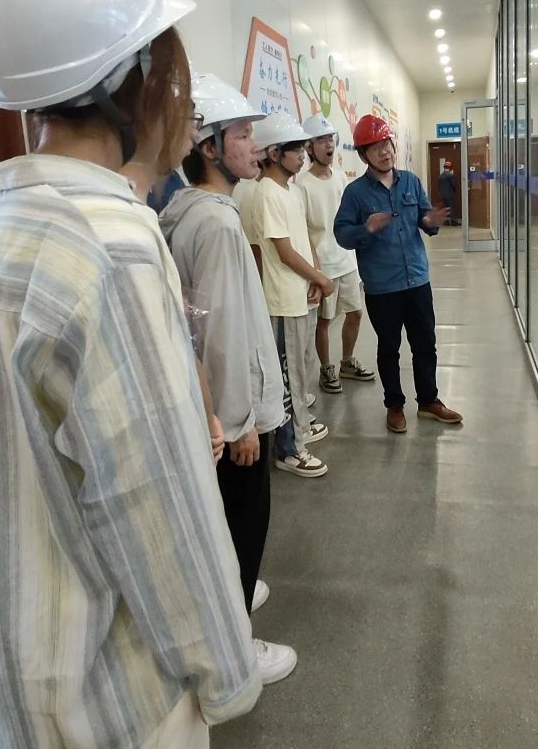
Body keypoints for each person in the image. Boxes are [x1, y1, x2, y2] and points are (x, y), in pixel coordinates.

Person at [0, 0, 258, 748]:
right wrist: (228, 673)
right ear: (135, 86)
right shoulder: (111, 243)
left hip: (34, 679)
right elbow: (154, 505)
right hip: (122, 695)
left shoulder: (1, 227)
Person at [159, 73, 299, 686]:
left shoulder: (188, 210)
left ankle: (232, 596)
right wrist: (239, 422)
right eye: (242, 135)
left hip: (215, 408)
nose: (254, 145)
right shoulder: (215, 224)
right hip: (234, 417)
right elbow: (218, 334)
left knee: (224, 523)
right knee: (242, 525)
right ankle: (236, 648)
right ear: (209, 147)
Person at [334, 114, 462, 433]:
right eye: (375, 148)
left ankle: (429, 401)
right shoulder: (355, 193)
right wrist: (366, 228)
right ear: (364, 155)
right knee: (389, 347)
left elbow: (424, 218)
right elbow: (342, 234)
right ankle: (394, 405)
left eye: (387, 145)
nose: (384, 152)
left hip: (417, 279)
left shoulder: (411, 181)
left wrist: (430, 221)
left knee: (425, 343)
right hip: (382, 286)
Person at [250, 112, 334, 476]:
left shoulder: (292, 191)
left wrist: (315, 278)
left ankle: (299, 432)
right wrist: (321, 279)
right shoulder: (265, 193)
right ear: (273, 153)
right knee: (287, 378)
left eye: (303, 148)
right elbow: (283, 252)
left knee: (300, 373)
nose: (302, 155)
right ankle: (288, 450)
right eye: (295, 149)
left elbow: (303, 241)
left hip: (301, 295)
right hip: (282, 300)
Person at [297, 113, 376, 394]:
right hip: (324, 265)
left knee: (356, 313)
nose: (328, 145)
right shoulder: (302, 185)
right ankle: (326, 368)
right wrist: (316, 273)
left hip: (347, 260)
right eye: (321, 140)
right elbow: (304, 232)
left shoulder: (341, 177)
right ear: (309, 147)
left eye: (330, 139)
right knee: (324, 321)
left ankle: (346, 362)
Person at [438, 159, 461, 225]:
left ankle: (446, 222)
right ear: (450, 168)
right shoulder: (450, 175)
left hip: (442, 195)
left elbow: (439, 186)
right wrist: (454, 190)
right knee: (451, 207)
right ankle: (453, 222)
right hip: (450, 194)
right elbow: (453, 185)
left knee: (445, 208)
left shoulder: (440, 175)